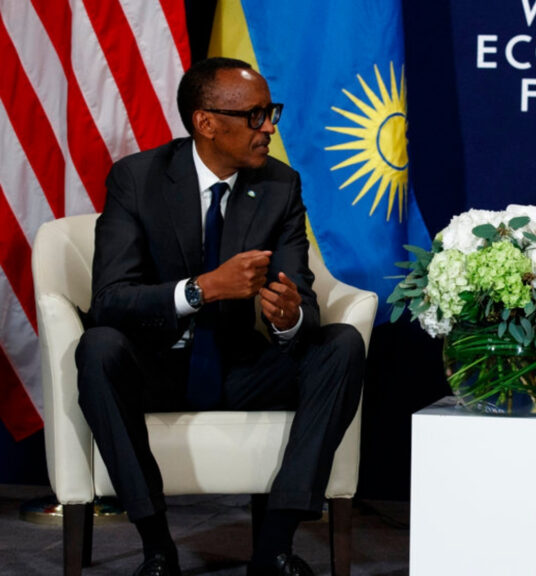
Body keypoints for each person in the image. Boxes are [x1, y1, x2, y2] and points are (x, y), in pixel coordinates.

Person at [75, 57, 366, 576]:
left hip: (241, 366)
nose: (270, 128)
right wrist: (201, 290)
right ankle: (157, 547)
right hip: (157, 368)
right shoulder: (137, 180)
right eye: (256, 116)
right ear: (206, 123)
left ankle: (274, 547)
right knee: (97, 346)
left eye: (270, 112)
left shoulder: (281, 185)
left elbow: (302, 297)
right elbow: (111, 300)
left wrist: (288, 316)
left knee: (341, 344)